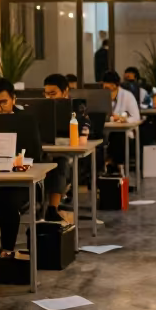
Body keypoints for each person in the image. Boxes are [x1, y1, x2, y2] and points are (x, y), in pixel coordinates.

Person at [0, 79, 27, 255]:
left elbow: (35, 154)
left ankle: (7, 251)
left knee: (8, 202)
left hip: (16, 182)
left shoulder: (24, 120)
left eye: (3, 102)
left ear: (13, 99)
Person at [42, 73, 91, 221]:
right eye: (46, 94)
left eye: (53, 93)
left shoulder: (77, 107)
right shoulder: (40, 107)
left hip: (64, 152)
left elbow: (85, 128)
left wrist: (82, 136)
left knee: (60, 164)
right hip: (43, 151)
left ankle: (52, 208)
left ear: (65, 92)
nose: (49, 97)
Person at [102, 69, 141, 173]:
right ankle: (106, 168)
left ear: (116, 85)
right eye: (104, 87)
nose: (106, 90)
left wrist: (122, 118)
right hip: (105, 132)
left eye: (108, 88)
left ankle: (114, 165)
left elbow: (136, 118)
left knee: (117, 135)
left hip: (124, 135)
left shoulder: (127, 96)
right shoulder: (101, 97)